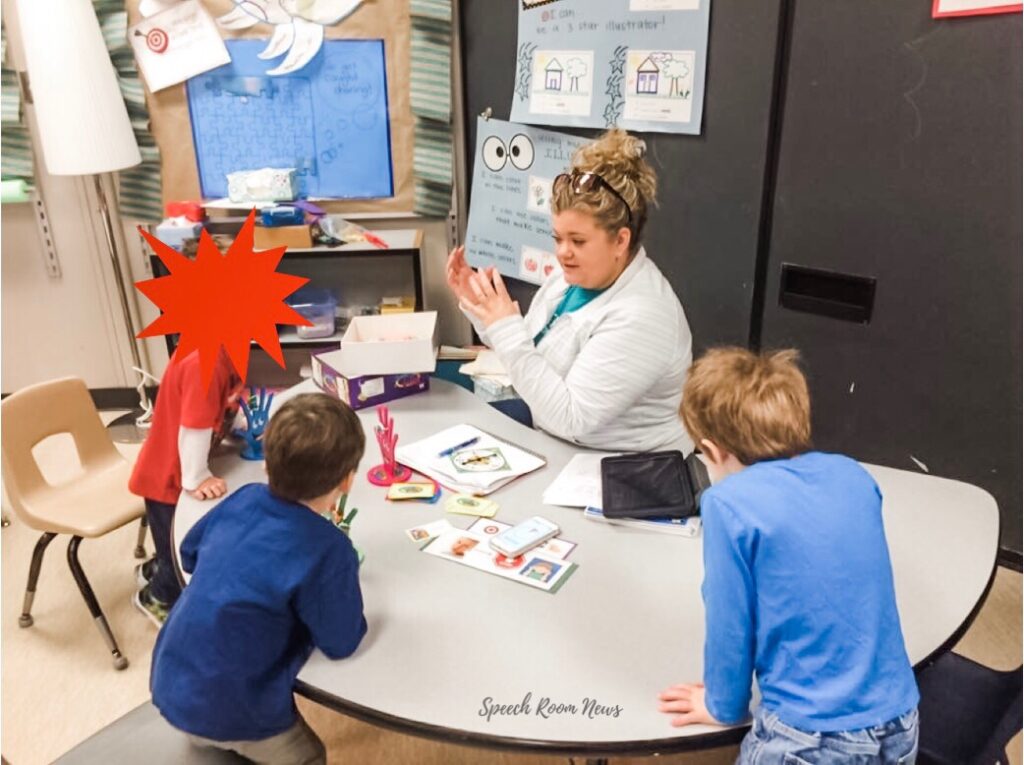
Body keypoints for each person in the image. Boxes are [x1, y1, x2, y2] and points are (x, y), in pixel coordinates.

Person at [658, 348, 919, 763]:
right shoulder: (852, 473)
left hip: (812, 736)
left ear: (712, 450)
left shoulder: (728, 503)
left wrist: (722, 705)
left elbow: (730, 621)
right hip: (899, 717)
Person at [150, 393, 368, 765]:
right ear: (346, 481)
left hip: (168, 679)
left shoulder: (244, 497)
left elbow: (189, 554)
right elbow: (341, 642)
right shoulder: (329, 549)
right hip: (232, 709)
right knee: (310, 755)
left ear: (267, 464)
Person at [447, 129, 693, 454]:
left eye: (578, 241)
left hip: (620, 468)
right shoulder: (575, 278)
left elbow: (570, 417)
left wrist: (505, 326)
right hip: (559, 442)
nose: (563, 252)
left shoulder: (645, 314)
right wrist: (484, 309)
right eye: (558, 238)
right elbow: (529, 353)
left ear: (621, 240)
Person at [128, 346, 243, 624]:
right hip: (169, 480)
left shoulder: (220, 349)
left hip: (169, 467)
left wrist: (239, 422)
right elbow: (195, 424)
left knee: (166, 540)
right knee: (178, 556)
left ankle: (152, 568)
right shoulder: (206, 361)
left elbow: (221, 401)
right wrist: (197, 476)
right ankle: (157, 598)